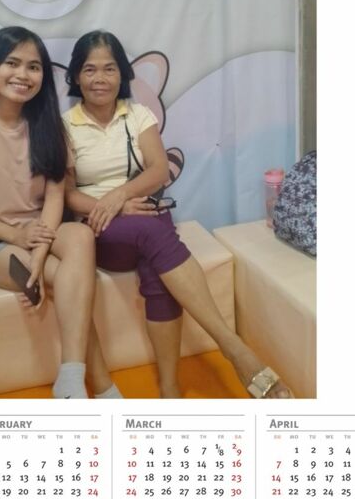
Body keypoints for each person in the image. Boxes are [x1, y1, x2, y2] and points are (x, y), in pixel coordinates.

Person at [63, 30, 292, 399]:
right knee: (152, 232)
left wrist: (121, 195)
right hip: (100, 228)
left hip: (141, 210)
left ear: (122, 74)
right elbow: (68, 194)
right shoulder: (64, 125)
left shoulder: (137, 115)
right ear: (75, 75)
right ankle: (235, 350)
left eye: (109, 69)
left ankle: (170, 389)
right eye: (90, 70)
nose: (99, 78)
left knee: (157, 266)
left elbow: (157, 170)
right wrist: (110, 206)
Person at [0, 25, 119, 400]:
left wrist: (38, 250)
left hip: (43, 231)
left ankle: (70, 376)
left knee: (80, 234)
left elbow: (55, 197)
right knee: (66, 282)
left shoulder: (49, 125)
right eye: (12, 63)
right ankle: (98, 385)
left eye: (33, 67)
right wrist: (17, 237)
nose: (23, 74)